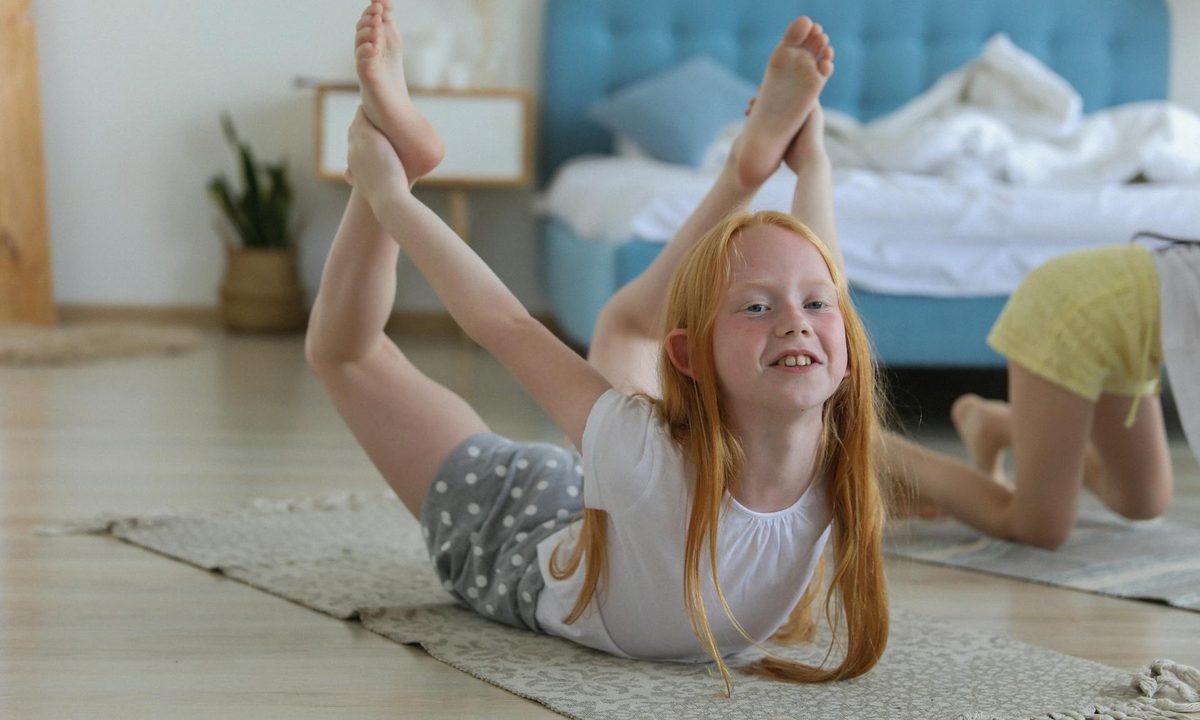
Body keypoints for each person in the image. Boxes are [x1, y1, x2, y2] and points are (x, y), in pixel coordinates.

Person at [306, 0, 888, 695]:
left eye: (813, 309)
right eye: (758, 308)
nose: (797, 323)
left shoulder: (840, 453)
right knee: (346, 356)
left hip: (619, 507)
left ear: (845, 348)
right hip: (512, 527)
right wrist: (391, 198)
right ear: (693, 359)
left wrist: (811, 160)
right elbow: (507, 325)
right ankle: (391, 164)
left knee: (625, 329)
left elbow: (828, 285)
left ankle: (744, 171)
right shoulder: (648, 454)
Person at [885, 235, 1200, 550]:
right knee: (1037, 527)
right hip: (1071, 308)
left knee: (1142, 501)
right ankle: (880, 448)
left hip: (1126, 332)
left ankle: (994, 425)